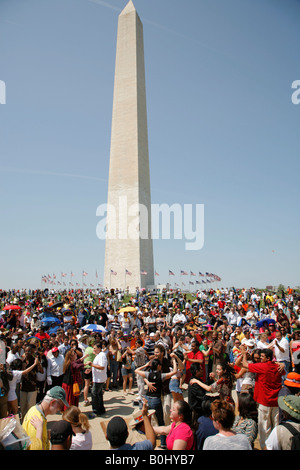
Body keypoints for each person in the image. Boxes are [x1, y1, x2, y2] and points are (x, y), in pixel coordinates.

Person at [241, 347, 285, 449]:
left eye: (262, 356)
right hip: (276, 402)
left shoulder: (263, 366)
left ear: (268, 358)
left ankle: (266, 447)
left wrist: (243, 354)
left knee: (264, 428)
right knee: (276, 426)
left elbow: (244, 364)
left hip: (265, 401)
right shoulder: (277, 367)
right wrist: (281, 364)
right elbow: (283, 371)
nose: (260, 358)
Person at [135, 354, 178, 448]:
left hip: (147, 399)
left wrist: (145, 366)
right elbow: (174, 371)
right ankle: (163, 443)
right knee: (160, 421)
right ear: (158, 366)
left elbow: (136, 370)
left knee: (147, 420)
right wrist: (174, 360)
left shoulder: (148, 374)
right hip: (156, 400)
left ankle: (149, 438)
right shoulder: (161, 376)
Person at [22, 386, 69, 450]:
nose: (60, 410)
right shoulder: (36, 419)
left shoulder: (35, 411)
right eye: (60, 406)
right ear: (52, 402)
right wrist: (40, 429)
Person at [88, 341, 107, 416]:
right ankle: (101, 409)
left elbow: (102, 367)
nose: (94, 350)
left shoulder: (102, 355)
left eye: (95, 348)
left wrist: (92, 365)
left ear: (99, 348)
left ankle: (96, 410)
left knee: (94, 393)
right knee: (98, 394)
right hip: (97, 378)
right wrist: (91, 368)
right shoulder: (99, 355)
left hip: (99, 378)